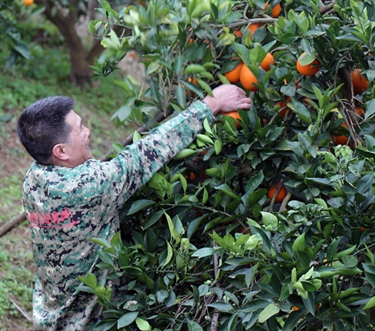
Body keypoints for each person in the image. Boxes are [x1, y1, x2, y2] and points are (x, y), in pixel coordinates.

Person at [16, 84, 251, 330]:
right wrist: (211, 104)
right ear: (61, 151)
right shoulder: (91, 186)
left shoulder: (34, 178)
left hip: (51, 314)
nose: (88, 131)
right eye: (80, 128)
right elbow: (147, 152)